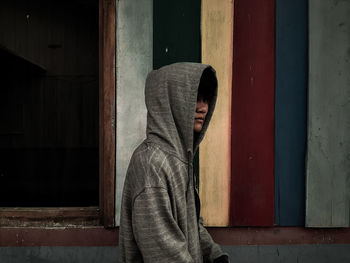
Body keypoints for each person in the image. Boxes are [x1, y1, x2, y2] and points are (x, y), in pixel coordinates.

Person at [120, 63, 229, 263]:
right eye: (195, 98)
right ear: (171, 101)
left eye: (206, 99)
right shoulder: (150, 165)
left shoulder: (180, 159)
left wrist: (215, 255)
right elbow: (164, 252)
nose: (203, 108)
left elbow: (191, 224)